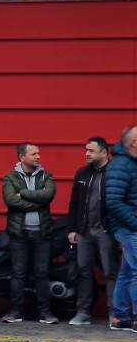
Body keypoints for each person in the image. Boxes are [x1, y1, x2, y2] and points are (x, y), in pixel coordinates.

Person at [1, 142, 58, 324]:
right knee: (18, 273)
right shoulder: (10, 177)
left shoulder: (46, 175)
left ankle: (45, 312)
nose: (38, 156)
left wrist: (23, 193)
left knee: (42, 273)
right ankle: (15, 311)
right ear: (22, 157)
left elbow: (48, 195)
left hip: (42, 233)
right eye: (33, 154)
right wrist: (37, 200)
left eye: (38, 153)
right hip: (19, 233)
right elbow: (10, 200)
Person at [67, 137, 117, 326]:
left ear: (104, 152)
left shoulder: (114, 173)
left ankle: (115, 313)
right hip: (84, 231)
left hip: (106, 231)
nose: (87, 153)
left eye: (91, 150)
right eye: (86, 150)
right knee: (84, 271)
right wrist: (72, 229)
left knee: (111, 272)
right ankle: (83, 312)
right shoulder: (82, 173)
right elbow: (74, 204)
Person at [105, 126, 137, 331]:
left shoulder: (130, 164)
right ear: (134, 143)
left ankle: (120, 316)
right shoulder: (120, 165)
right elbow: (114, 201)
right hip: (128, 227)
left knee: (127, 271)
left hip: (129, 226)